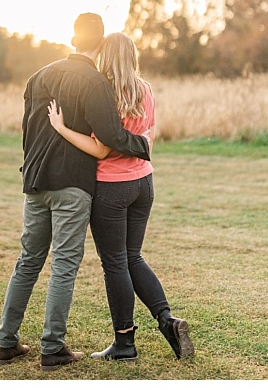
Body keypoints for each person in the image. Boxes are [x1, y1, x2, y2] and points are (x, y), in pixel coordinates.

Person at [0, 13, 152, 372]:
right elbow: (111, 136)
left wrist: (31, 166)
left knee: (28, 261)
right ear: (99, 44)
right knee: (64, 264)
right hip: (72, 184)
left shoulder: (38, 77)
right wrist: (142, 145)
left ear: (72, 37)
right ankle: (52, 348)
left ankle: (7, 342)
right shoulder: (95, 82)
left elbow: (27, 133)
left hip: (35, 181)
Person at [47, 32, 194, 362]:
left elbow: (100, 148)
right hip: (144, 184)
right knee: (132, 257)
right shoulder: (146, 89)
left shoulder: (105, 93)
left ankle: (124, 343)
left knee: (115, 262)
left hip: (112, 187)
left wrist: (62, 129)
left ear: (104, 56)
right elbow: (149, 139)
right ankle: (167, 320)